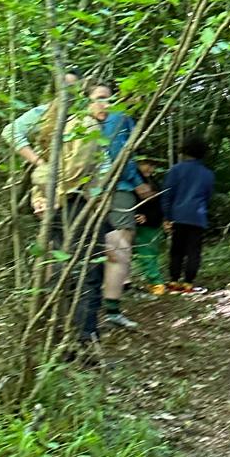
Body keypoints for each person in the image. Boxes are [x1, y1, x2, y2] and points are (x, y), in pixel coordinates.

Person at [29, 81, 113, 353]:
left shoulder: (63, 127)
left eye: (110, 100)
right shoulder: (86, 127)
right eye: (100, 98)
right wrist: (53, 195)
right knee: (88, 272)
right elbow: (76, 173)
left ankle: (60, 339)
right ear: (86, 101)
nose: (106, 105)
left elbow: (44, 170)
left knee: (64, 272)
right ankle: (85, 343)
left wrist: (42, 198)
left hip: (61, 207)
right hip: (75, 206)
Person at [100, 100, 143, 330]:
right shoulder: (120, 118)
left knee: (107, 244)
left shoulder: (79, 119)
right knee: (120, 243)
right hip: (117, 188)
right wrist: (137, 181)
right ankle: (114, 303)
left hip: (93, 189)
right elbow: (122, 153)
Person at [162, 136, 215, 293]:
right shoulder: (208, 174)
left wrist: (167, 217)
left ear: (184, 151)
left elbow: (167, 195)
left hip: (178, 216)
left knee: (176, 249)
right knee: (194, 251)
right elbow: (208, 196)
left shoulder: (175, 170)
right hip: (198, 217)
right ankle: (188, 283)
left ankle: (173, 281)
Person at [2, 68, 81, 168]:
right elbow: (10, 131)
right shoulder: (43, 112)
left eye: (72, 87)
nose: (67, 92)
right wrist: (39, 162)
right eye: (63, 87)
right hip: (50, 171)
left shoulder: (87, 115)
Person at [132, 156, 166, 292]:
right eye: (147, 164)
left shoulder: (152, 181)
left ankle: (156, 282)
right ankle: (156, 282)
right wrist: (138, 215)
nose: (150, 168)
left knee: (152, 252)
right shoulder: (134, 181)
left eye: (153, 165)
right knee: (146, 254)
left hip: (154, 223)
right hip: (143, 225)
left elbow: (157, 202)